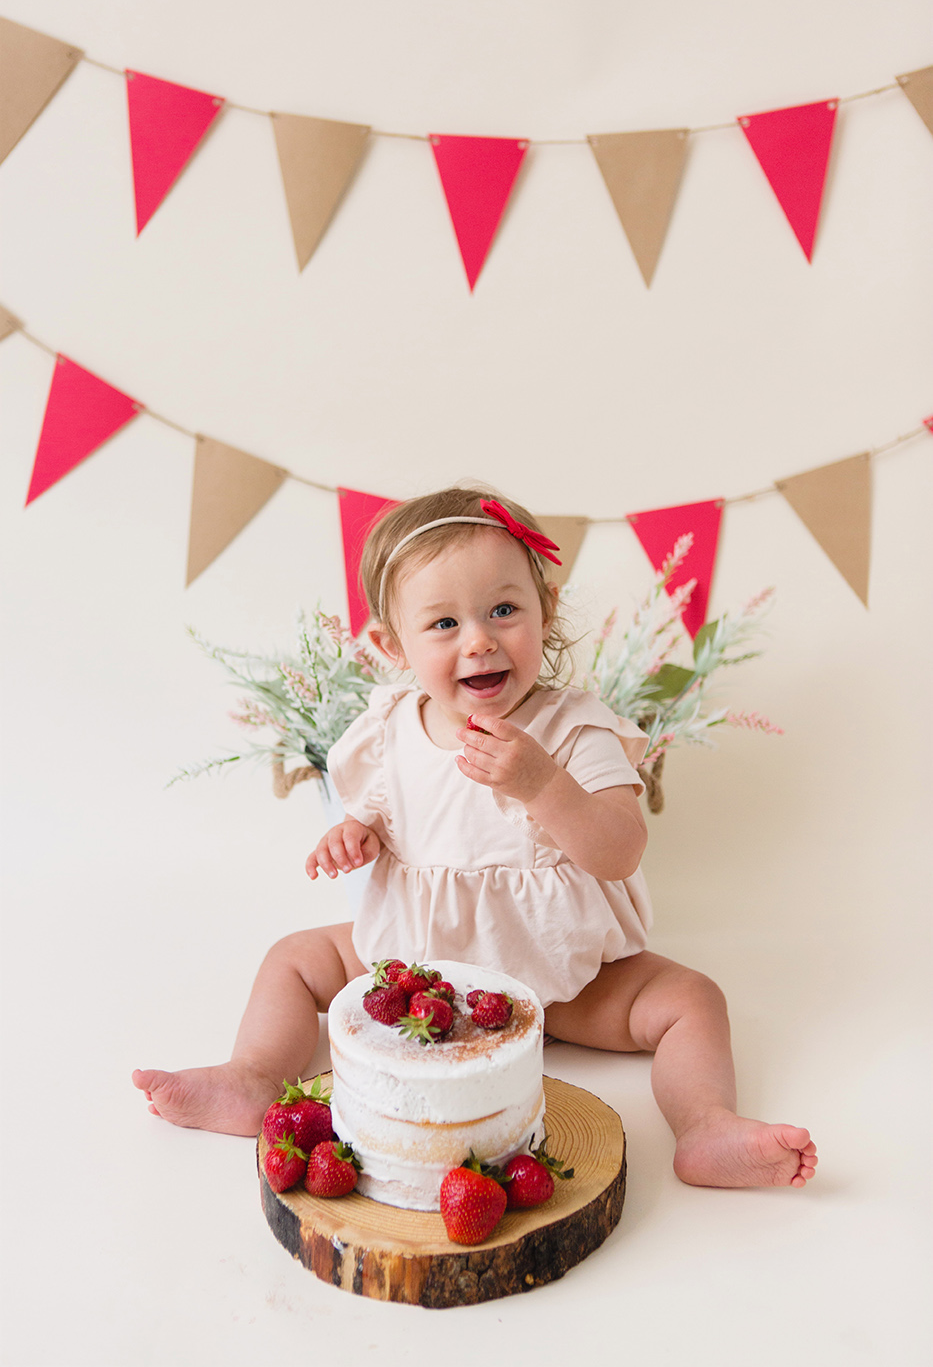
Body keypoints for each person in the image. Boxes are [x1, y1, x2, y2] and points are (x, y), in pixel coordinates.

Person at [134, 485, 817, 1189]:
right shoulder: (389, 729)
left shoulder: (575, 728)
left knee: (690, 999)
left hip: (560, 979)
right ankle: (254, 1078)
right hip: (418, 976)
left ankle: (705, 1126)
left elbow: (619, 850)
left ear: (544, 612)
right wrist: (355, 833)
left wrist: (542, 785)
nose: (480, 639)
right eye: (443, 624)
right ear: (391, 645)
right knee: (295, 957)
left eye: (502, 610)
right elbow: (379, 812)